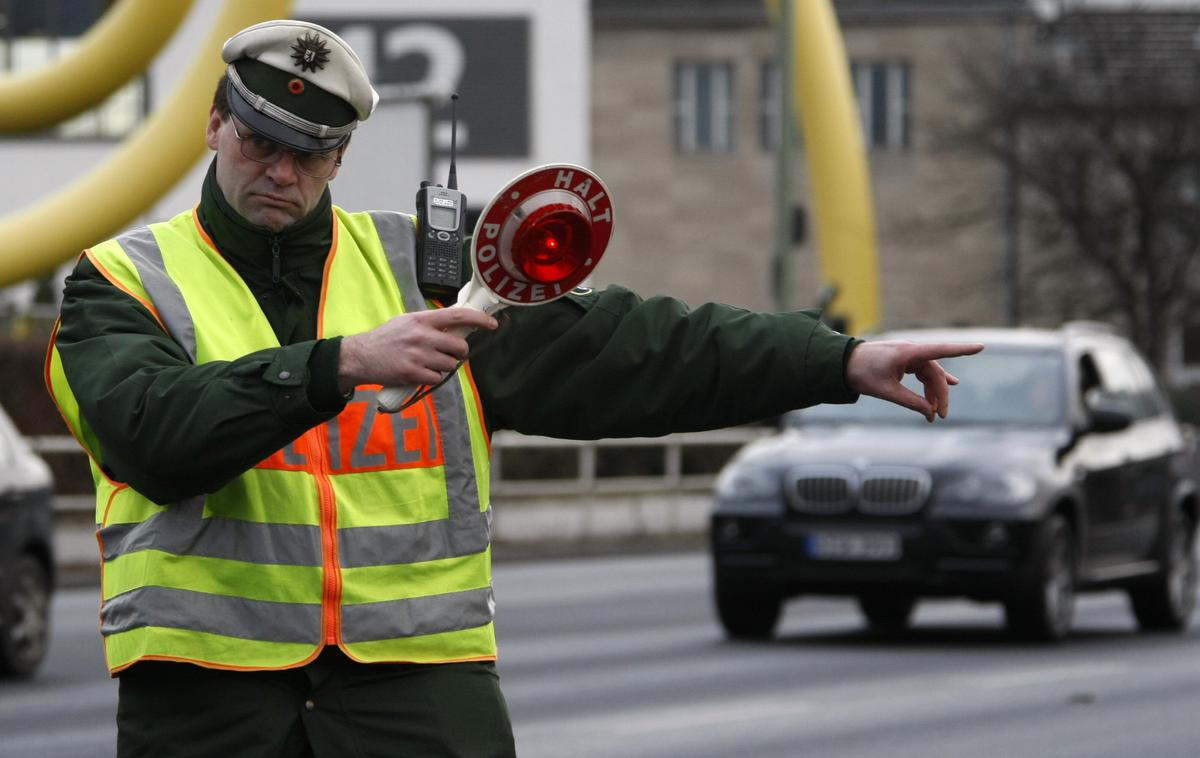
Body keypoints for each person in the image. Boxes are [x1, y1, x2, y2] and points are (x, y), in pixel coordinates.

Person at [46, 19, 982, 758]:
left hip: (418, 701)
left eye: (312, 152)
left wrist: (837, 362)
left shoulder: (427, 273)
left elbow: (638, 352)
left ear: (340, 159)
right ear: (214, 125)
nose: (280, 171)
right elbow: (148, 434)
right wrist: (337, 367)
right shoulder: (121, 282)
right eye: (259, 140)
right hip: (211, 704)